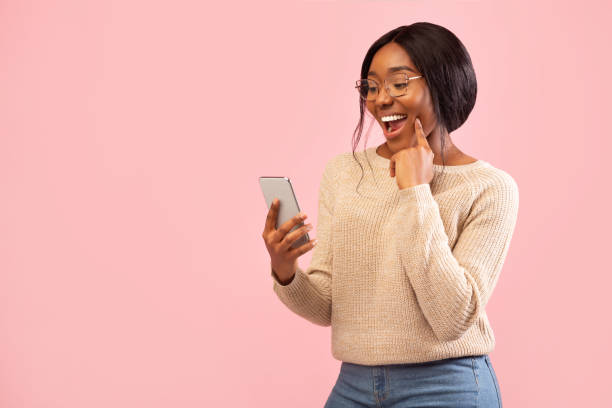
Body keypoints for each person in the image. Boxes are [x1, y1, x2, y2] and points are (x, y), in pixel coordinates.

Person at [261, 22, 517, 407]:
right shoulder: (344, 173)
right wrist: (285, 272)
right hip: (354, 385)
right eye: (372, 86)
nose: (381, 99)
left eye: (399, 84)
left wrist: (415, 191)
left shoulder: (490, 188)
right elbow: (328, 306)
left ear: (443, 83)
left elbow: (452, 318)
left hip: (446, 387)